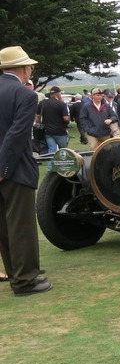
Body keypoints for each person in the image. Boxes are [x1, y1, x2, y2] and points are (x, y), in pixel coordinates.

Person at [0, 45, 51, 296]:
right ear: (23, 68)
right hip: (14, 169)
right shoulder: (25, 95)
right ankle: (25, 280)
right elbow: (17, 135)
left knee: (4, 228)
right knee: (21, 227)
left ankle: (15, 275)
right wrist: (4, 168)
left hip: (5, 168)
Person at [36, 86, 70, 153]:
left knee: (51, 149)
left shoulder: (42, 103)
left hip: (47, 130)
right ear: (58, 94)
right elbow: (66, 118)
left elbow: (38, 116)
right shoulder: (62, 104)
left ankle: (50, 163)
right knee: (63, 150)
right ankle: (62, 163)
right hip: (60, 131)